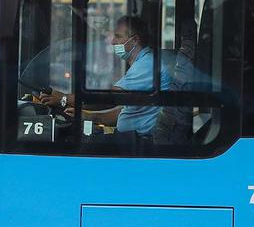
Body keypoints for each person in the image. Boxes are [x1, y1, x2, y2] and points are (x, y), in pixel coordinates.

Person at [39, 15, 171, 146]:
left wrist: (64, 99)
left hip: (140, 141)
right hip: (132, 137)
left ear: (134, 40)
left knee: (81, 146)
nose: (113, 41)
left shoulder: (147, 65)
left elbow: (110, 98)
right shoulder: (143, 63)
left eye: (118, 36)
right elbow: (127, 111)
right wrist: (90, 117)